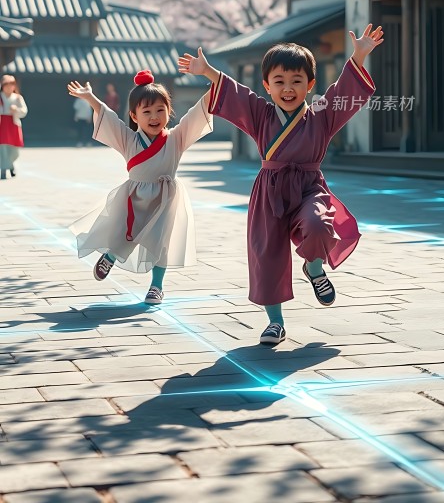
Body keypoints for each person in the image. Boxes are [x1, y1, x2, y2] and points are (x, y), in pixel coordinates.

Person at [179, 24, 383, 345]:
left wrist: (358, 56)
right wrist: (208, 72)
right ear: (267, 86)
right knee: (268, 253)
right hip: (269, 190)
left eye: (296, 81)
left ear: (310, 85)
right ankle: (275, 322)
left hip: (309, 186)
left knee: (318, 225)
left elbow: (343, 92)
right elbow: (236, 94)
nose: (288, 88)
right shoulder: (259, 113)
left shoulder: (321, 115)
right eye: (279, 81)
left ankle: (314, 269)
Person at [67, 69, 213, 304]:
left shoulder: (176, 138)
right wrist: (91, 99)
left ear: (168, 111)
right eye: (146, 112)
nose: (154, 117)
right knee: (124, 235)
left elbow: (196, 114)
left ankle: (156, 286)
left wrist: (214, 85)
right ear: (134, 116)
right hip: (133, 196)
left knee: (161, 242)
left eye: (160, 110)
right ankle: (111, 255)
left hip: (165, 198)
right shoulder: (128, 139)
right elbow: (110, 119)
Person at [0, 74, 28, 180]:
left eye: (12, 83)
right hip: (2, 125)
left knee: (14, 149)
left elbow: (24, 111)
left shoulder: (17, 98)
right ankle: (3, 169)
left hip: (13, 124)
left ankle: (10, 165)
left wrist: (16, 109)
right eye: (6, 84)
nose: (9, 86)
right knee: (2, 148)